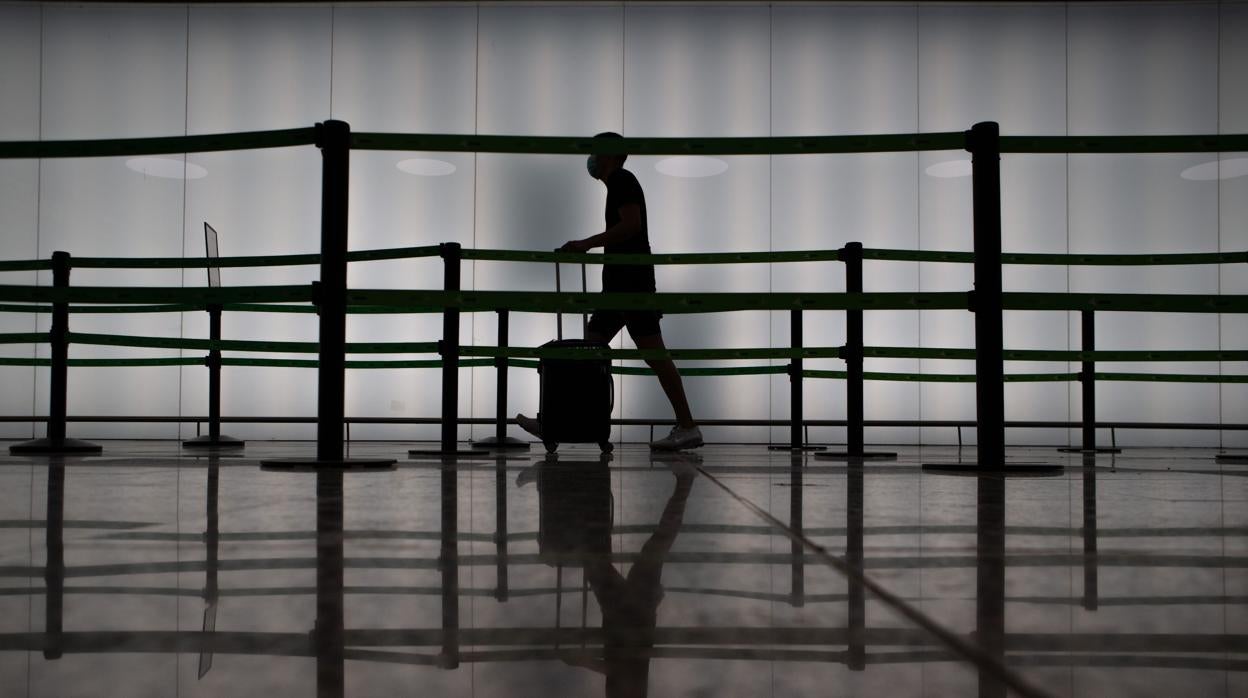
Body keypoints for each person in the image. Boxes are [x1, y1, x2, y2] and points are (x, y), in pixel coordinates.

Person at [517, 132, 702, 451]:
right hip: (621, 286)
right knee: (591, 351)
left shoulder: (621, 179)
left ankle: (687, 426)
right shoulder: (619, 182)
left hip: (631, 286)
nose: (590, 158)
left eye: (594, 151)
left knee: (653, 356)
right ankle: (562, 422)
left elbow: (631, 226)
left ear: (608, 154)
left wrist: (585, 244)